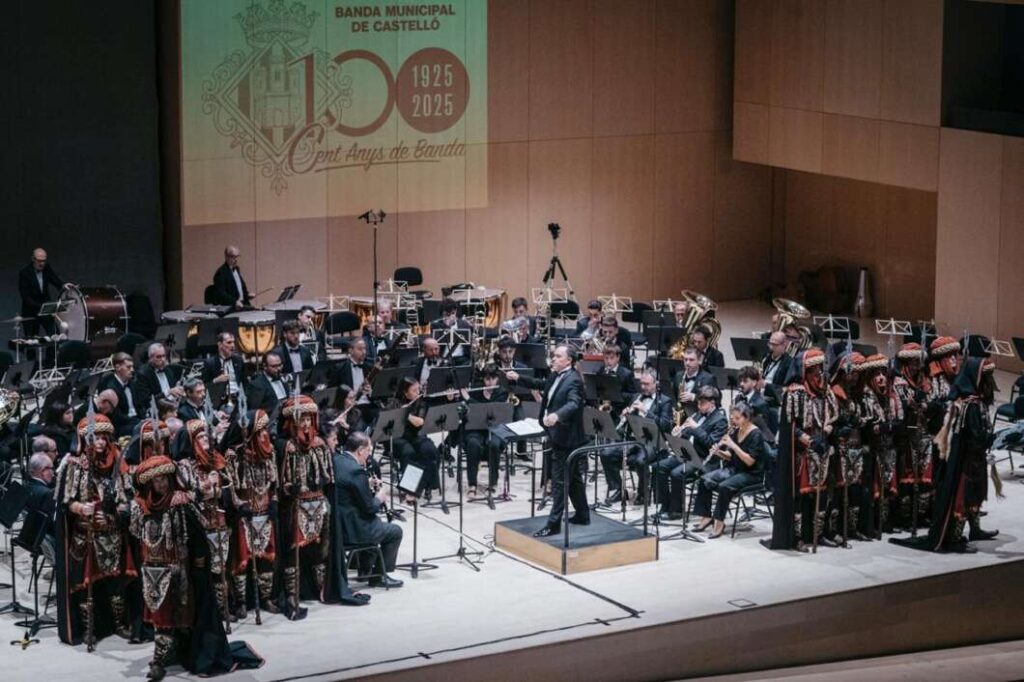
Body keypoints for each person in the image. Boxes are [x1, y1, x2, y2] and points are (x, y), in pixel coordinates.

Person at [129, 455, 257, 680]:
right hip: (153, 572)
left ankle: (181, 654)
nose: (162, 484)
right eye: (156, 481)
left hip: (181, 571)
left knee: (181, 615)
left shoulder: (181, 502)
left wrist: (198, 566)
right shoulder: (141, 508)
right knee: (161, 617)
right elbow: (136, 535)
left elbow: (197, 538)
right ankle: (162, 657)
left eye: (164, 479)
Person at [892, 358, 999, 554]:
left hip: (966, 461)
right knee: (959, 500)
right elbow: (972, 437)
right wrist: (988, 440)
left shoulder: (969, 402)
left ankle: (957, 537)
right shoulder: (969, 405)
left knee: (965, 499)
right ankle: (953, 541)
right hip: (964, 463)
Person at [54, 414, 136, 645]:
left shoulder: (118, 461)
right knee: (85, 584)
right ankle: (88, 629)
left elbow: (126, 499)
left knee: (116, 583)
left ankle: (119, 624)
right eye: (95, 438)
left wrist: (113, 514)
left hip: (111, 532)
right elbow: (65, 501)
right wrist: (81, 507)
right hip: (85, 534)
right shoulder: (74, 465)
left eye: (103, 437)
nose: (100, 442)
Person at [506, 345, 588, 536]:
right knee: (574, 478)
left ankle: (553, 524)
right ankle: (583, 514)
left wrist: (557, 415)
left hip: (567, 437)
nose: (553, 359)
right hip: (558, 434)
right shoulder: (555, 375)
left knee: (559, 481)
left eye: (558, 356)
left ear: (569, 360)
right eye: (553, 356)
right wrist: (519, 378)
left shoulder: (574, 380)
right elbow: (541, 384)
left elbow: (574, 404)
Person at [278, 395, 334, 615]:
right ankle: (292, 595)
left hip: (318, 501)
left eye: (309, 419)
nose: (306, 424)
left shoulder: (319, 444)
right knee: (294, 549)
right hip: (296, 505)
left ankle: (321, 588)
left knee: (321, 549)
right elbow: (283, 483)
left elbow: (328, 476)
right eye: (302, 420)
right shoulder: (287, 446)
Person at [779, 348, 838, 552]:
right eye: (813, 369)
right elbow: (791, 428)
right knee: (802, 498)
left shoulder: (826, 392)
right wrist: (810, 441)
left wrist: (825, 434)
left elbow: (832, 419)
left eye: (820, 368)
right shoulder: (795, 392)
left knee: (822, 496)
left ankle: (818, 534)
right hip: (803, 454)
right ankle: (799, 538)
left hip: (822, 451)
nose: (818, 373)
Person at [177, 420, 235, 620]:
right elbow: (187, 494)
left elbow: (226, 488)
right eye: (200, 437)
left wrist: (217, 490)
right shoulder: (184, 465)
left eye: (206, 436)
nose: (205, 440)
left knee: (220, 569)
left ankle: (221, 610)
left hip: (218, 520)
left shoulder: (214, 460)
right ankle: (205, 612)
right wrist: (206, 488)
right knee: (201, 571)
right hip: (198, 524)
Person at [225, 409, 281, 615]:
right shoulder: (235, 456)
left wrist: (274, 500)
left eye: (266, 428)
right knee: (242, 559)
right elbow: (230, 487)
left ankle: (266, 597)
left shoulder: (270, 452)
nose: (266, 433)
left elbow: (274, 483)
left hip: (265, 510)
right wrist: (239, 505)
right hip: (245, 514)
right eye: (261, 429)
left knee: (267, 555)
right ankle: (241, 602)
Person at [332, 431, 404, 589]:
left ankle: (365, 569)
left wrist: (366, 484)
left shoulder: (337, 460)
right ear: (360, 450)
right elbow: (370, 508)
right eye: (368, 451)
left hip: (337, 525)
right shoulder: (356, 471)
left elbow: (350, 490)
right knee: (394, 531)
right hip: (353, 529)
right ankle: (379, 576)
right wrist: (380, 497)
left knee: (376, 524)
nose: (369, 455)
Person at [690, 403, 768, 538]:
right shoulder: (737, 430)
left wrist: (733, 445)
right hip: (735, 469)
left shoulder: (756, 434)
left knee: (724, 486)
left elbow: (750, 461)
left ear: (747, 418)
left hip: (751, 474)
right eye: (733, 418)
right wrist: (718, 452)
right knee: (703, 480)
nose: (734, 421)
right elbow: (731, 456)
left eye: (737, 418)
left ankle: (719, 521)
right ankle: (706, 517)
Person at [655, 386, 728, 520]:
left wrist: (696, 428)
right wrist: (679, 432)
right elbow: (688, 434)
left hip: (704, 458)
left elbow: (712, 443)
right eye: (698, 402)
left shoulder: (720, 420)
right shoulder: (698, 414)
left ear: (712, 403)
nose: (699, 406)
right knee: (659, 466)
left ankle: (676, 510)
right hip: (688, 453)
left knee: (677, 473)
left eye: (702, 403)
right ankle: (665, 505)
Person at [612, 370, 673, 506]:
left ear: (656, 384)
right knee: (607, 453)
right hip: (634, 439)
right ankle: (618, 489)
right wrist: (624, 416)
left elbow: (665, 425)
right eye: (642, 384)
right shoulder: (636, 396)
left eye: (646, 384)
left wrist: (646, 411)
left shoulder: (665, 401)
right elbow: (627, 424)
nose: (643, 387)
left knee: (640, 460)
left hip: (654, 441)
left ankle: (643, 494)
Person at [859, 353, 903, 537]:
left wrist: (890, 427)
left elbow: (900, 420)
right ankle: (872, 524)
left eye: (884, 374)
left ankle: (885, 522)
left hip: (889, 449)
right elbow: (867, 426)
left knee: (888, 486)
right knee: (874, 488)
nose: (881, 378)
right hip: (872, 451)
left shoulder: (892, 397)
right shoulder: (866, 397)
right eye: (877, 374)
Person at [892, 342, 934, 532]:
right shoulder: (899, 382)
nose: (918, 366)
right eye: (914, 363)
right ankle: (905, 517)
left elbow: (930, 401)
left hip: (924, 433)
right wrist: (914, 403)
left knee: (924, 475)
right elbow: (902, 407)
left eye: (920, 362)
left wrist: (927, 405)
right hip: (907, 436)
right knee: (908, 475)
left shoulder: (924, 380)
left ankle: (922, 514)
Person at [385, 377, 440, 503]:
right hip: (398, 437)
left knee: (430, 450)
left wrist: (405, 414)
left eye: (418, 389)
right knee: (408, 452)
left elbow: (420, 422)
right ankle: (409, 488)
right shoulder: (393, 402)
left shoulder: (420, 402)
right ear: (405, 392)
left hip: (416, 434)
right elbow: (387, 421)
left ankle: (426, 485)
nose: (417, 392)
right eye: (414, 390)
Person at [463, 366, 509, 498]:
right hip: (476, 429)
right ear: (483, 379)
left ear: (497, 379)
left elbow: (488, 409)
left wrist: (468, 399)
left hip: (495, 430)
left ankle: (493, 483)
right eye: (487, 379)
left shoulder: (501, 392)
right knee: (472, 444)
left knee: (493, 444)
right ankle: (472, 484)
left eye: (493, 379)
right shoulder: (475, 391)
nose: (490, 383)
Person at [18, 247, 68, 337]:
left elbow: (55, 279)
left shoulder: (46, 268)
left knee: (55, 336)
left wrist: (63, 285)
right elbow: (25, 297)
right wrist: (41, 306)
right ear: (33, 259)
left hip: (45, 309)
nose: (42, 264)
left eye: (44, 261)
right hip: (31, 311)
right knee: (32, 341)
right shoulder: (24, 273)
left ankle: (51, 351)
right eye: (39, 261)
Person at [133, 342, 185, 410]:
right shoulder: (143, 374)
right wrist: (167, 392)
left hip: (173, 406)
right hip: (156, 410)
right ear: (150, 358)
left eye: (164, 356)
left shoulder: (168, 370)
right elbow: (146, 400)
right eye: (158, 357)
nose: (163, 360)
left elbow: (173, 388)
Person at [99, 352, 141, 437]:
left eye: (132, 366)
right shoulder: (110, 387)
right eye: (128, 367)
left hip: (135, 421)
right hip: (121, 427)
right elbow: (117, 417)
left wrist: (144, 420)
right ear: (118, 367)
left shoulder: (132, 383)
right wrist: (138, 422)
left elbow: (140, 406)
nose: (132, 370)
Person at [202, 332, 246, 401]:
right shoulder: (210, 363)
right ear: (220, 345)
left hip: (239, 397)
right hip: (221, 399)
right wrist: (216, 380)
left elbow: (244, 381)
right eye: (229, 342)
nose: (233, 345)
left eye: (233, 342)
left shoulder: (238, 360)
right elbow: (203, 386)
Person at [673, 347, 717, 414]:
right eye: (685, 359)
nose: (687, 363)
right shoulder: (678, 376)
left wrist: (694, 397)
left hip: (699, 416)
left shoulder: (708, 378)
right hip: (681, 414)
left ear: (699, 360)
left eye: (691, 360)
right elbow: (674, 396)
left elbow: (716, 401)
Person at [211, 245, 251, 309]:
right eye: (234, 257)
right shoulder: (221, 273)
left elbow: (238, 288)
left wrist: (247, 295)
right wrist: (234, 302)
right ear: (226, 257)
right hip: (231, 308)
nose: (236, 259)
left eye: (237, 256)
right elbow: (222, 295)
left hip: (243, 305)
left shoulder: (236, 269)